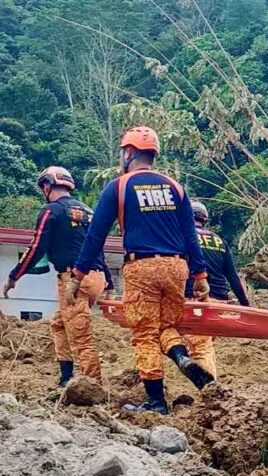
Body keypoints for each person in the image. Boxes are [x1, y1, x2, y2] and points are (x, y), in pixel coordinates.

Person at [73, 125, 211, 414]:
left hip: (142, 266)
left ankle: (156, 402)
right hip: (177, 267)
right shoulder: (176, 187)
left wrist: (79, 273)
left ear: (129, 152)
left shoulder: (119, 186)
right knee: (166, 325)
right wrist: (200, 277)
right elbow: (190, 236)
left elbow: (96, 235)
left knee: (144, 333)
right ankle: (181, 356)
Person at [2, 166, 110, 387]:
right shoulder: (88, 212)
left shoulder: (51, 210)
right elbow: (97, 247)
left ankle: (93, 386)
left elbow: (36, 247)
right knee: (59, 324)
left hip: (73, 280)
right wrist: (107, 277)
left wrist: (14, 277)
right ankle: (65, 377)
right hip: (96, 277)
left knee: (81, 337)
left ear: (47, 185)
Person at [183, 201, 250, 378]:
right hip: (219, 302)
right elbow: (233, 277)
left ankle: (210, 391)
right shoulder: (220, 241)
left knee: (199, 349)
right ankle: (204, 388)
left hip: (196, 300)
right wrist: (246, 305)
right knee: (203, 344)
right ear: (205, 219)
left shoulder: (183, 237)